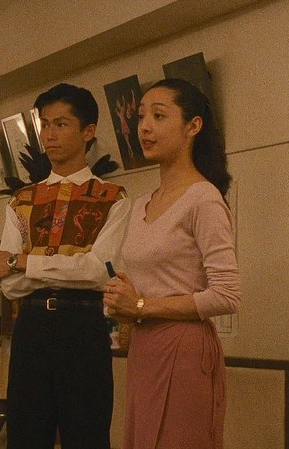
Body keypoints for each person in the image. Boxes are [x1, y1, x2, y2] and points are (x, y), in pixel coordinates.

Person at [102, 78, 241, 449]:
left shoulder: (203, 199)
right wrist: (125, 300)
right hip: (144, 346)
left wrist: (142, 305)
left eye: (159, 116)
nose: (144, 127)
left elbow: (227, 295)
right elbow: (148, 286)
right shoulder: (142, 203)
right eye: (141, 117)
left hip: (185, 347)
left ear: (193, 126)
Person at [0, 83, 132, 449]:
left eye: (62, 124)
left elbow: (98, 271)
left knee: (87, 435)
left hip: (83, 326)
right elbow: (9, 284)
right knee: (25, 436)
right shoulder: (21, 200)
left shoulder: (112, 198)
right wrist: (59, 268)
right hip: (31, 326)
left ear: (88, 131)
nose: (50, 134)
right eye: (45, 124)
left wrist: (24, 262)